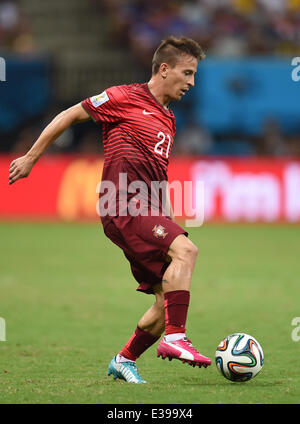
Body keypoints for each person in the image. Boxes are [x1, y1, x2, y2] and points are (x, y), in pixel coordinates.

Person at [8, 35, 212, 384]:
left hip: (147, 207)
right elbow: (70, 115)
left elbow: (157, 176)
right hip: (121, 203)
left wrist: (165, 220)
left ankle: (124, 359)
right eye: (187, 73)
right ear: (165, 69)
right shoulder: (124, 97)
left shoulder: (168, 119)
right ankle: (176, 338)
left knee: (166, 301)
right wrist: (31, 156)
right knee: (187, 250)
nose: (192, 82)